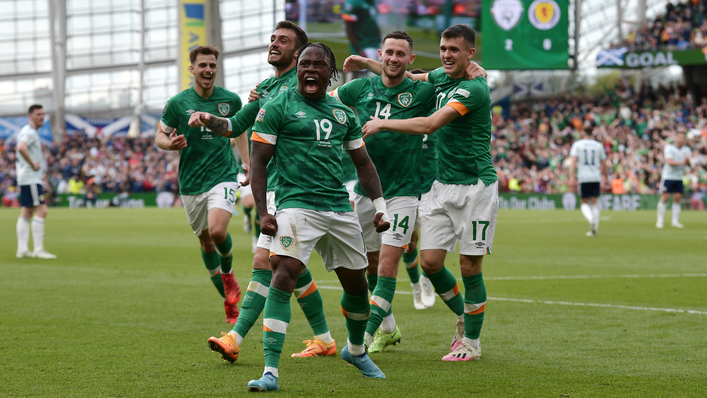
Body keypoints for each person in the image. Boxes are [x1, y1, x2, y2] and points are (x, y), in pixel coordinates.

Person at [187, 21, 336, 362]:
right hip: (279, 189)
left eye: (283, 40)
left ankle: (236, 337)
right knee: (287, 266)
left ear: (298, 53)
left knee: (266, 262)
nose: (274, 44)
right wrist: (206, 118)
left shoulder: (307, 85)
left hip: (304, 190)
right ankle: (325, 339)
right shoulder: (266, 88)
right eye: (272, 39)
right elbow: (236, 126)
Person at [248, 42, 389, 391]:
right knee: (283, 273)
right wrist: (265, 211)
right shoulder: (276, 107)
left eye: (318, 65)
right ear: (297, 69)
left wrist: (381, 206)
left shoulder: (344, 114)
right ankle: (270, 372)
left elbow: (364, 164)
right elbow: (258, 162)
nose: (310, 70)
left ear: (331, 73)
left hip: (340, 208)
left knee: (358, 285)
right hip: (295, 205)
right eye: (304, 64)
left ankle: (355, 350)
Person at [352, 24, 497, 362]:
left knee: (470, 267)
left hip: (476, 187)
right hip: (440, 185)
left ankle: (471, 343)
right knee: (430, 263)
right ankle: (464, 316)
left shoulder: (474, 89)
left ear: (470, 54)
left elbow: (430, 124)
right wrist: (365, 62)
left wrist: (382, 123)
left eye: (454, 50)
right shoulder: (440, 78)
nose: (447, 54)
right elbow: (406, 76)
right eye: (444, 48)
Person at [331, 31, 435, 353]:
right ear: (381, 53)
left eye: (401, 54)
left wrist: (478, 71)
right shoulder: (360, 87)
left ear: (411, 59)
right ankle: (389, 328)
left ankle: (360, 340)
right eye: (388, 53)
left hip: (404, 190)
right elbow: (325, 99)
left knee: (388, 265)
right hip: (366, 190)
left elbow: (457, 76)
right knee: (370, 265)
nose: (394, 58)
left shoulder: (422, 91)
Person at [156, 45, 246, 324]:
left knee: (218, 231)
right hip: (191, 182)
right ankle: (227, 300)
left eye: (213, 65)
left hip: (223, 175)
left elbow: (238, 128)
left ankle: (228, 274)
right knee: (206, 242)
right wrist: (170, 144)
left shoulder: (230, 100)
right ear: (192, 69)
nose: (208, 70)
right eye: (203, 65)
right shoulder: (177, 103)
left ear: (216, 69)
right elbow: (160, 135)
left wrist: (246, 162)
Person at [15, 104, 56, 259]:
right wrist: (33, 163)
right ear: (30, 116)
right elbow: (21, 146)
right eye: (38, 114)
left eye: (43, 113)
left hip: (28, 177)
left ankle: (22, 249)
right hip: (31, 178)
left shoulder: (30, 132)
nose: (42, 117)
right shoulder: (29, 132)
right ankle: (38, 250)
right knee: (42, 210)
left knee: (27, 211)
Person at [569, 122, 608, 236]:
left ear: (582, 133)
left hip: (583, 177)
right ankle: (594, 228)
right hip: (595, 176)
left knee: (584, 202)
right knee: (594, 202)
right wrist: (605, 176)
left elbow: (573, 161)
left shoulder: (577, 145)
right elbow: (604, 163)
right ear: (592, 133)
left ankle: (591, 220)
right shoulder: (598, 145)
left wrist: (571, 175)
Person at [657, 132, 692, 228]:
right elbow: (669, 162)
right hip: (668, 176)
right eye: (679, 137)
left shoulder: (687, 150)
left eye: (683, 138)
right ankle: (660, 221)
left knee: (677, 198)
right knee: (665, 198)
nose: (681, 139)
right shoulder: (669, 148)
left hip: (679, 177)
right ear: (675, 138)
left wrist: (688, 162)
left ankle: (675, 221)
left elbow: (689, 164)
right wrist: (682, 162)